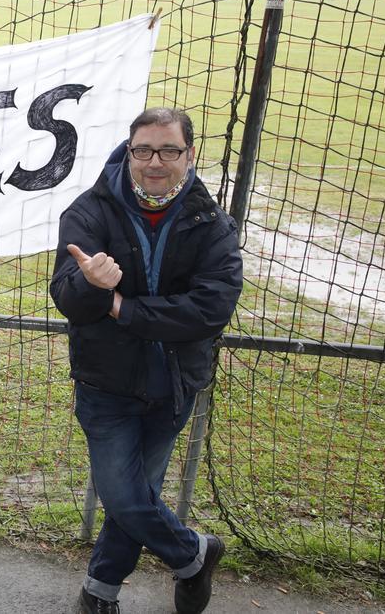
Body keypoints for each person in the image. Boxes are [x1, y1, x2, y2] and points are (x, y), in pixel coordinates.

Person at [50, 107, 243, 614]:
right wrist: (91, 286)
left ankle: (99, 592)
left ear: (190, 154)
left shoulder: (212, 223)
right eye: (143, 150)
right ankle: (195, 554)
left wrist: (124, 307)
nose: (155, 162)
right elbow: (67, 299)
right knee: (124, 496)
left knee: (139, 495)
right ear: (129, 151)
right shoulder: (89, 212)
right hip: (105, 384)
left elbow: (209, 310)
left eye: (169, 150)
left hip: (174, 386)